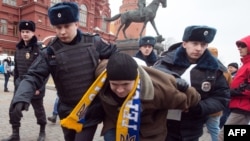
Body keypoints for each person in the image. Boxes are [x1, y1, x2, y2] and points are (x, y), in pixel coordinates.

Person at [7, 2, 117, 141]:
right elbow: (34, 75)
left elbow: (116, 55)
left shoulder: (94, 42)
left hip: (90, 111)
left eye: (67, 26)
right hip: (66, 112)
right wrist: (22, 96)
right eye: (58, 27)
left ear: (76, 24)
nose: (62, 32)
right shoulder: (50, 51)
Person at [94, 52, 201, 141]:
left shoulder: (161, 90)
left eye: (126, 84)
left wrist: (183, 86)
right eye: (115, 84)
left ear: (135, 80)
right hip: (115, 125)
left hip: (148, 132)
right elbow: (103, 63)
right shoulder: (102, 78)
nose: (120, 90)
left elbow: (194, 98)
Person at [153, 25, 230, 141]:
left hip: (193, 126)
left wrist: (199, 107)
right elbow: (156, 72)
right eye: (194, 43)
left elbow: (221, 97)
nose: (198, 48)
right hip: (164, 124)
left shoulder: (215, 69)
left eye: (203, 45)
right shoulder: (166, 60)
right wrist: (173, 78)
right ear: (185, 44)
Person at [2, 20, 48, 141]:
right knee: (13, 109)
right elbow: (16, 70)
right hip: (21, 87)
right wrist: (16, 85)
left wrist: (40, 88)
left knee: (39, 111)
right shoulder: (18, 49)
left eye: (27, 31)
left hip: (35, 87)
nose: (25, 34)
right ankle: (15, 134)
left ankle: (42, 132)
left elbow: (45, 72)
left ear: (33, 33)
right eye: (22, 31)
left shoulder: (39, 49)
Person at [218, 35, 250, 141]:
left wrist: (236, 91)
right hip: (239, 106)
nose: (239, 48)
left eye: (243, 45)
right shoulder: (246, 64)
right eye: (239, 45)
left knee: (223, 136)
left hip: (243, 108)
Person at [206, 47, 232, 141]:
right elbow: (229, 86)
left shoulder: (205, 67)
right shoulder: (225, 70)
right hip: (217, 105)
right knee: (214, 129)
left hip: (205, 103)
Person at [219, 62, 238, 129]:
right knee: (225, 113)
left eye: (231, 67)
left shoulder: (236, 76)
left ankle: (220, 127)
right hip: (226, 96)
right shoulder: (227, 74)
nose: (229, 69)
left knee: (226, 113)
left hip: (231, 97)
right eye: (228, 67)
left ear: (236, 68)